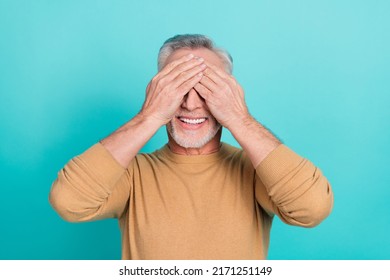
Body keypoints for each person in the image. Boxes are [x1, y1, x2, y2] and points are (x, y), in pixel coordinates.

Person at [49, 34, 334, 260]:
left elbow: (312, 208)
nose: (190, 103)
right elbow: (69, 201)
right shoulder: (133, 175)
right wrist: (150, 115)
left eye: (207, 87)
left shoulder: (254, 171)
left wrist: (240, 118)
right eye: (177, 86)